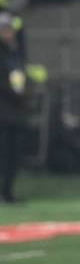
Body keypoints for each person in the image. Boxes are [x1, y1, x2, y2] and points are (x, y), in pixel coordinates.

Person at [0, 11, 28, 203]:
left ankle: (7, 191)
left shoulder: (15, 51)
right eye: (4, 29)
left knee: (13, 154)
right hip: (3, 110)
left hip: (15, 111)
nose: (8, 32)